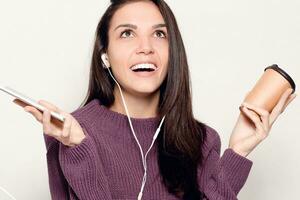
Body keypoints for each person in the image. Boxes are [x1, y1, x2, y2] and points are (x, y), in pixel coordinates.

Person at [13, 0, 296, 199]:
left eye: (159, 34)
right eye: (127, 34)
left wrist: (238, 151)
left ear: (172, 52)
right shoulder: (69, 133)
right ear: (105, 55)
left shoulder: (203, 140)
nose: (145, 48)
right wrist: (78, 147)